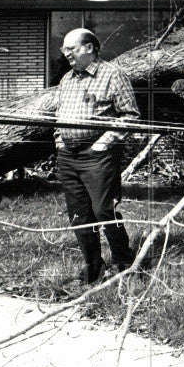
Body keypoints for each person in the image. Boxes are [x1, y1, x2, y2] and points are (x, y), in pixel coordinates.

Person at [56, 28, 141, 285]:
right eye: (64, 50)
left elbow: (131, 116)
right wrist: (60, 142)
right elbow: (59, 117)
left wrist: (102, 145)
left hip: (98, 156)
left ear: (90, 48)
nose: (66, 54)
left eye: (71, 48)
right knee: (79, 215)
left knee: (104, 210)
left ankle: (124, 262)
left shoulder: (113, 75)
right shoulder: (67, 79)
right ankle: (93, 269)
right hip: (68, 156)